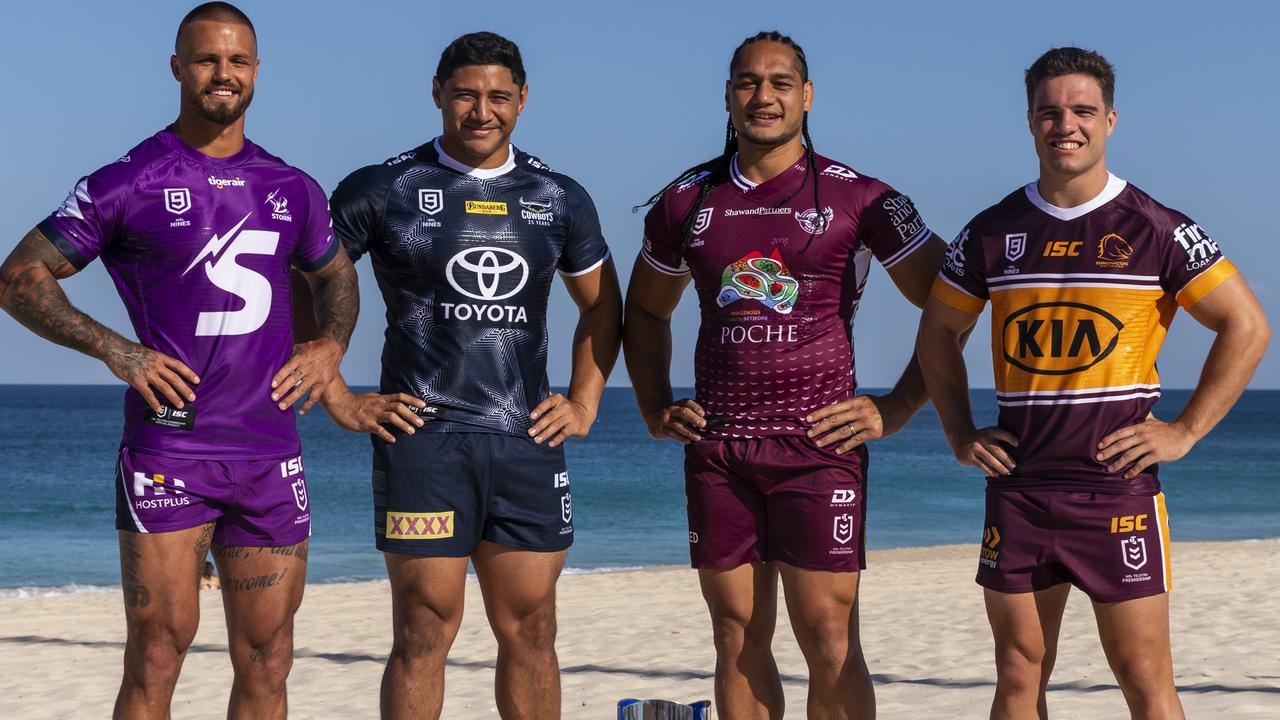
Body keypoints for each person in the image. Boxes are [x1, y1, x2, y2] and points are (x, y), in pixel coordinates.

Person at [0, 3, 358, 718]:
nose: (223, 74)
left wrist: (329, 346)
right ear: (176, 68)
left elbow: (336, 277)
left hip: (269, 454)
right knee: (158, 652)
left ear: (256, 72)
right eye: (206, 59)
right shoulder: (125, 181)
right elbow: (19, 278)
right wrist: (117, 350)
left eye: (238, 61)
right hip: (171, 449)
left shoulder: (292, 187)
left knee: (270, 659)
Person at [916, 47, 1270, 719]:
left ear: (1110, 119)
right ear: (1030, 123)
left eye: (1081, 111)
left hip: (1116, 489)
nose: (1065, 125)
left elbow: (1246, 327)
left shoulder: (1157, 228)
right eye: (1050, 112)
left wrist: (1185, 431)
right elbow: (937, 333)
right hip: (1018, 488)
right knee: (1019, 674)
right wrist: (960, 433)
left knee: (1143, 677)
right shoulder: (991, 231)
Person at [624, 31, 947, 719]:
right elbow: (645, 313)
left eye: (779, 82)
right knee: (736, 636)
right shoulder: (686, 201)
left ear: (807, 95)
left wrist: (901, 404)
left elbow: (954, 300)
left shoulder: (860, 198)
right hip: (721, 450)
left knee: (828, 635)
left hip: (818, 446)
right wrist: (655, 406)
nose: (763, 95)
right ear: (729, 96)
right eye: (747, 82)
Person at [311, 31, 621, 719]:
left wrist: (585, 400)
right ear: (437, 94)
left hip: (526, 441)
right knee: (424, 629)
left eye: (499, 97)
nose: (483, 111)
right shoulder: (382, 188)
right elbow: (309, 283)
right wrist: (338, 396)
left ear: (523, 100)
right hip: (423, 440)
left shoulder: (557, 195)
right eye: (466, 95)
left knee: (534, 629)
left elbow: (603, 304)